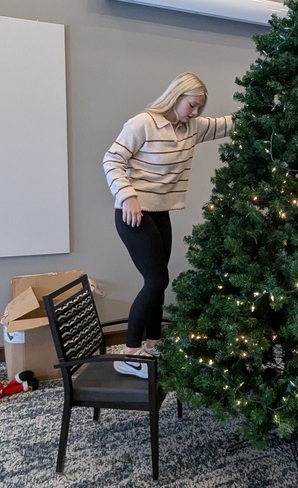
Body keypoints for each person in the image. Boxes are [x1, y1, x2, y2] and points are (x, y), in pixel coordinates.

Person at [103, 72, 233, 379]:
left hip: (161, 212)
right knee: (156, 279)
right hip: (134, 214)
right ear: (176, 98)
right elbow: (112, 160)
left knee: (159, 280)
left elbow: (230, 123)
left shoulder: (192, 128)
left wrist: (277, 104)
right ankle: (129, 354)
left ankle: (154, 344)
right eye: (191, 105)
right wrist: (128, 196)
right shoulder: (143, 123)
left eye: (200, 107)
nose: (196, 112)